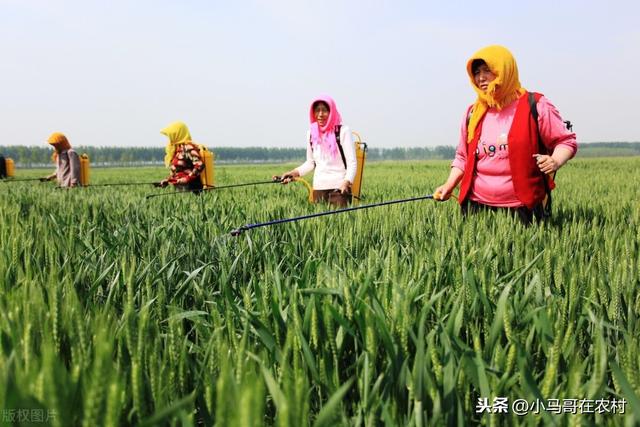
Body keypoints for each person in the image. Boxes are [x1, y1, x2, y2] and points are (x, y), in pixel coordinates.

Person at [434, 45, 578, 223]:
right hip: (475, 207)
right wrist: (449, 185)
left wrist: (555, 160)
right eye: (477, 72)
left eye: (487, 70)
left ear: (505, 70)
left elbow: (565, 141)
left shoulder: (536, 105)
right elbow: (463, 157)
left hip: (523, 207)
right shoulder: (473, 113)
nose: (481, 77)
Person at [276, 95, 357, 207]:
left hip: (339, 190)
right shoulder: (311, 133)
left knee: (340, 223)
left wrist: (346, 182)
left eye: (324, 110)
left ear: (331, 112)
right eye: (317, 110)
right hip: (318, 190)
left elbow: (352, 162)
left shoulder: (343, 131)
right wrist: (293, 173)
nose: (320, 114)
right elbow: (310, 163)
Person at [157, 121, 205, 192]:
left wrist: (187, 179)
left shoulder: (188, 147)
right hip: (180, 188)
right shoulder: (176, 149)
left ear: (178, 134)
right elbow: (177, 170)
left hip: (191, 188)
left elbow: (199, 165)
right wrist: (168, 180)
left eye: (172, 135)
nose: (170, 138)